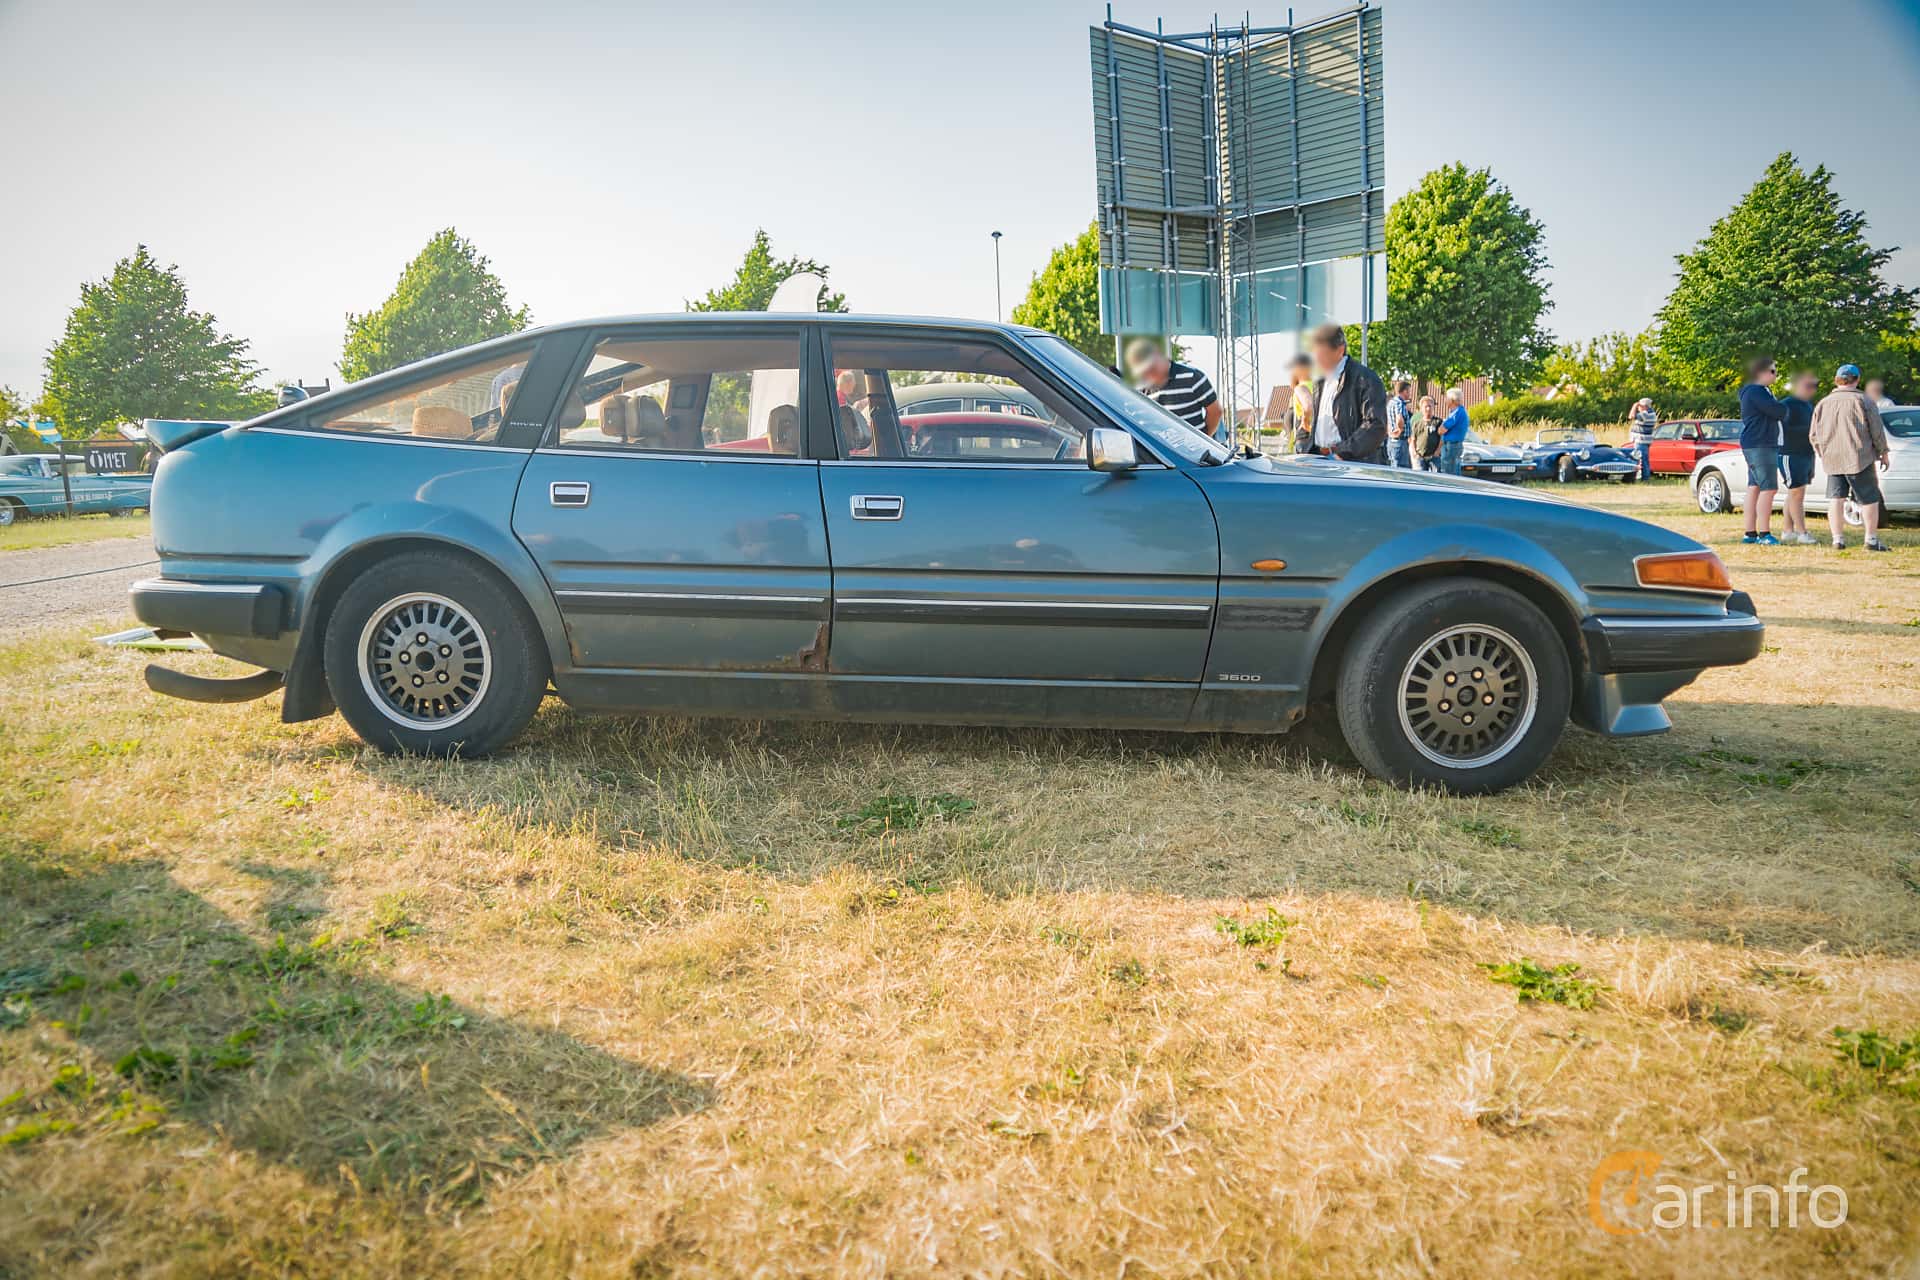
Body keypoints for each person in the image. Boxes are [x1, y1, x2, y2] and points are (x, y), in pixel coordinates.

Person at [1810, 364, 1892, 552]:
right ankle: (1871, 540)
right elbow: (1876, 429)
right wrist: (1884, 452)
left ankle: (1837, 540)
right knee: (1869, 499)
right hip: (1859, 457)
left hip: (1833, 459)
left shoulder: (1823, 403)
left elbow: (1813, 434)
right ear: (1856, 380)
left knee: (1836, 499)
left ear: (1837, 380)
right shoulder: (1864, 400)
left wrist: (1823, 453)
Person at [1304, 323, 1387, 462]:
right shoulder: (1320, 382)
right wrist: (1304, 447)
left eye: (1321, 353)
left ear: (1340, 349)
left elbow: (1376, 425)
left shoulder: (1365, 379)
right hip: (1320, 461)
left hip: (1351, 466)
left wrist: (1342, 454)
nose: (1316, 359)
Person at [1125, 338, 1223, 441]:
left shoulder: (1193, 377)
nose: (1149, 373)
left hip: (1195, 453)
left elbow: (1215, 412)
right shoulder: (1142, 388)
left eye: (1152, 367)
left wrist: (1204, 440)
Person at [1737, 356, 1789, 544]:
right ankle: (1764, 533)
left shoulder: (1755, 391)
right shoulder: (1757, 392)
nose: (1776, 375)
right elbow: (1779, 411)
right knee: (1769, 488)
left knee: (1755, 487)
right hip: (1761, 443)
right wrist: (1783, 406)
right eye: (1773, 371)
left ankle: (1750, 533)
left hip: (1756, 442)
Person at [1778, 372, 1819, 543]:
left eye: (1814, 386)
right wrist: (1809, 431)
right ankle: (1802, 532)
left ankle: (1788, 530)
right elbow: (1782, 429)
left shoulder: (1808, 405)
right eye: (1808, 385)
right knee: (1796, 492)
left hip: (1806, 453)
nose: (1812, 390)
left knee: (1795, 493)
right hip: (1790, 453)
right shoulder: (1787, 405)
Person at [1436, 389, 1470, 475]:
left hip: (1451, 446)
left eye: (1447, 398)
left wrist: (1441, 427)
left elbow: (1441, 430)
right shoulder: (1458, 412)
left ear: (1452, 400)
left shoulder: (1457, 412)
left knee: (1448, 472)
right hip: (1453, 445)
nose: (1445, 400)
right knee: (1453, 469)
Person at [1286, 354, 1315, 453]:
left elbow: (1308, 406)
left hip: (1305, 439)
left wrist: (1305, 421)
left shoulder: (1301, 388)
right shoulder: (1320, 387)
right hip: (1320, 439)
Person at [1627, 397, 1658, 480]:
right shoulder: (1651, 413)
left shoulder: (1645, 414)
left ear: (1644, 406)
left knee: (1641, 459)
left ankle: (1645, 478)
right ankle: (1645, 477)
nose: (1638, 408)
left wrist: (1634, 406)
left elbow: (1631, 416)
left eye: (1639, 406)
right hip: (1645, 440)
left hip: (1641, 441)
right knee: (1644, 459)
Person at [1386, 380, 1413, 468]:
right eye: (1409, 391)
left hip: (1392, 440)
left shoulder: (1391, 402)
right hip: (1400, 441)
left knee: (1393, 465)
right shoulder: (1399, 403)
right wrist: (1400, 429)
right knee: (1401, 469)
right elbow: (1399, 418)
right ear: (1405, 391)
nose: (1409, 394)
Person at [1413, 394, 1443, 471]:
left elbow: (1442, 438)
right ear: (1421, 409)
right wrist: (1414, 452)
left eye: (1430, 406)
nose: (1428, 408)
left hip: (1434, 457)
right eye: (1426, 406)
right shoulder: (1417, 423)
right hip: (1420, 456)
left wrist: (1437, 451)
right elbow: (1413, 439)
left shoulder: (1438, 422)